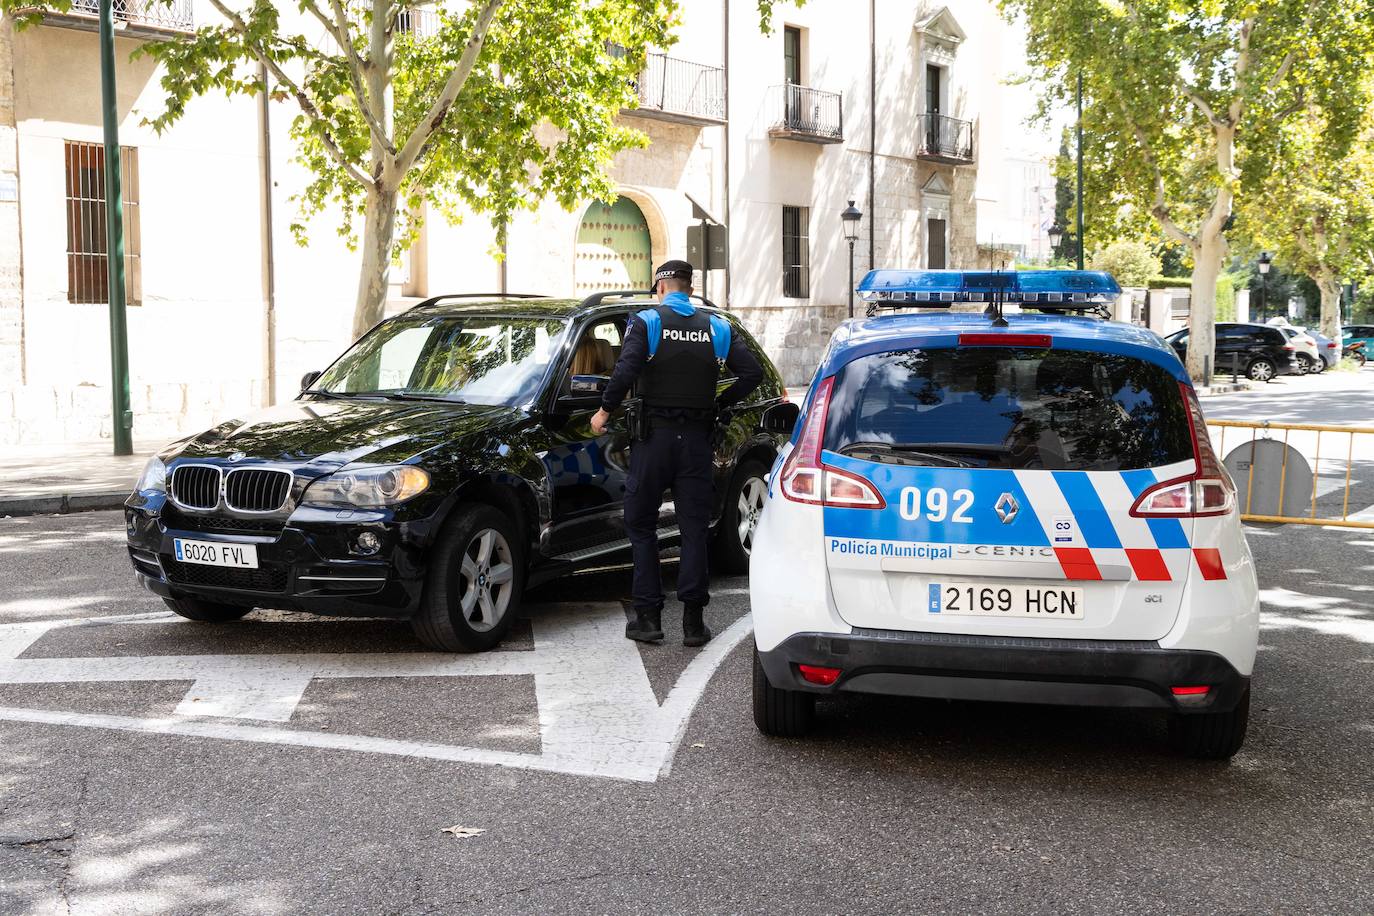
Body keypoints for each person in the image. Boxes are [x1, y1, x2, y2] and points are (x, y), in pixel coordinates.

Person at [590, 260, 763, 647]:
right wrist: (720, 403)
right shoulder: (717, 326)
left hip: (654, 441)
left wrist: (603, 410)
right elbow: (751, 373)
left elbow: (625, 369)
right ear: (688, 286)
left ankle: (648, 619)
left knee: (641, 526)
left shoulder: (648, 321)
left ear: (662, 287)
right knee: (693, 531)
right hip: (697, 442)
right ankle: (693, 624)